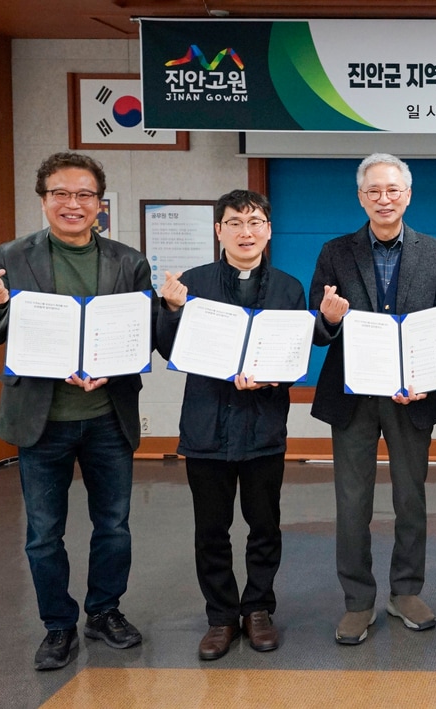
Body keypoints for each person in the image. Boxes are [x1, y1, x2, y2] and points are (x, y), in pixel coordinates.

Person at [0, 152, 152, 670]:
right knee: (43, 533)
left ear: (100, 203)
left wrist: (114, 368)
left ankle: (105, 611)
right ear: (44, 199)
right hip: (40, 417)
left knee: (113, 525)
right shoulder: (13, 253)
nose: (73, 204)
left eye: (84, 195)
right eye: (61, 194)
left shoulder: (127, 260)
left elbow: (141, 336)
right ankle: (56, 625)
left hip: (107, 415)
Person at [308, 153, 436, 644]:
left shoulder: (435, 252)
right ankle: (358, 601)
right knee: (352, 501)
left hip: (414, 395)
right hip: (352, 395)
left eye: (393, 190)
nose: (384, 198)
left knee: (411, 497)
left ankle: (406, 590)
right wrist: (327, 318)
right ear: (361, 197)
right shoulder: (335, 250)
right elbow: (318, 328)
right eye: (374, 191)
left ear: (407, 195)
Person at [155, 190, 304, 660]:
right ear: (218, 230)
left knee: (265, 525)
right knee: (211, 529)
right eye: (235, 222)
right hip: (206, 426)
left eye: (256, 221)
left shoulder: (287, 287)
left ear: (268, 230)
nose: (246, 231)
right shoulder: (191, 283)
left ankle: (258, 609)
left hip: (263, 427)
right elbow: (167, 349)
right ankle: (221, 617)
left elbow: (293, 352)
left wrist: (267, 376)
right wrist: (172, 309)